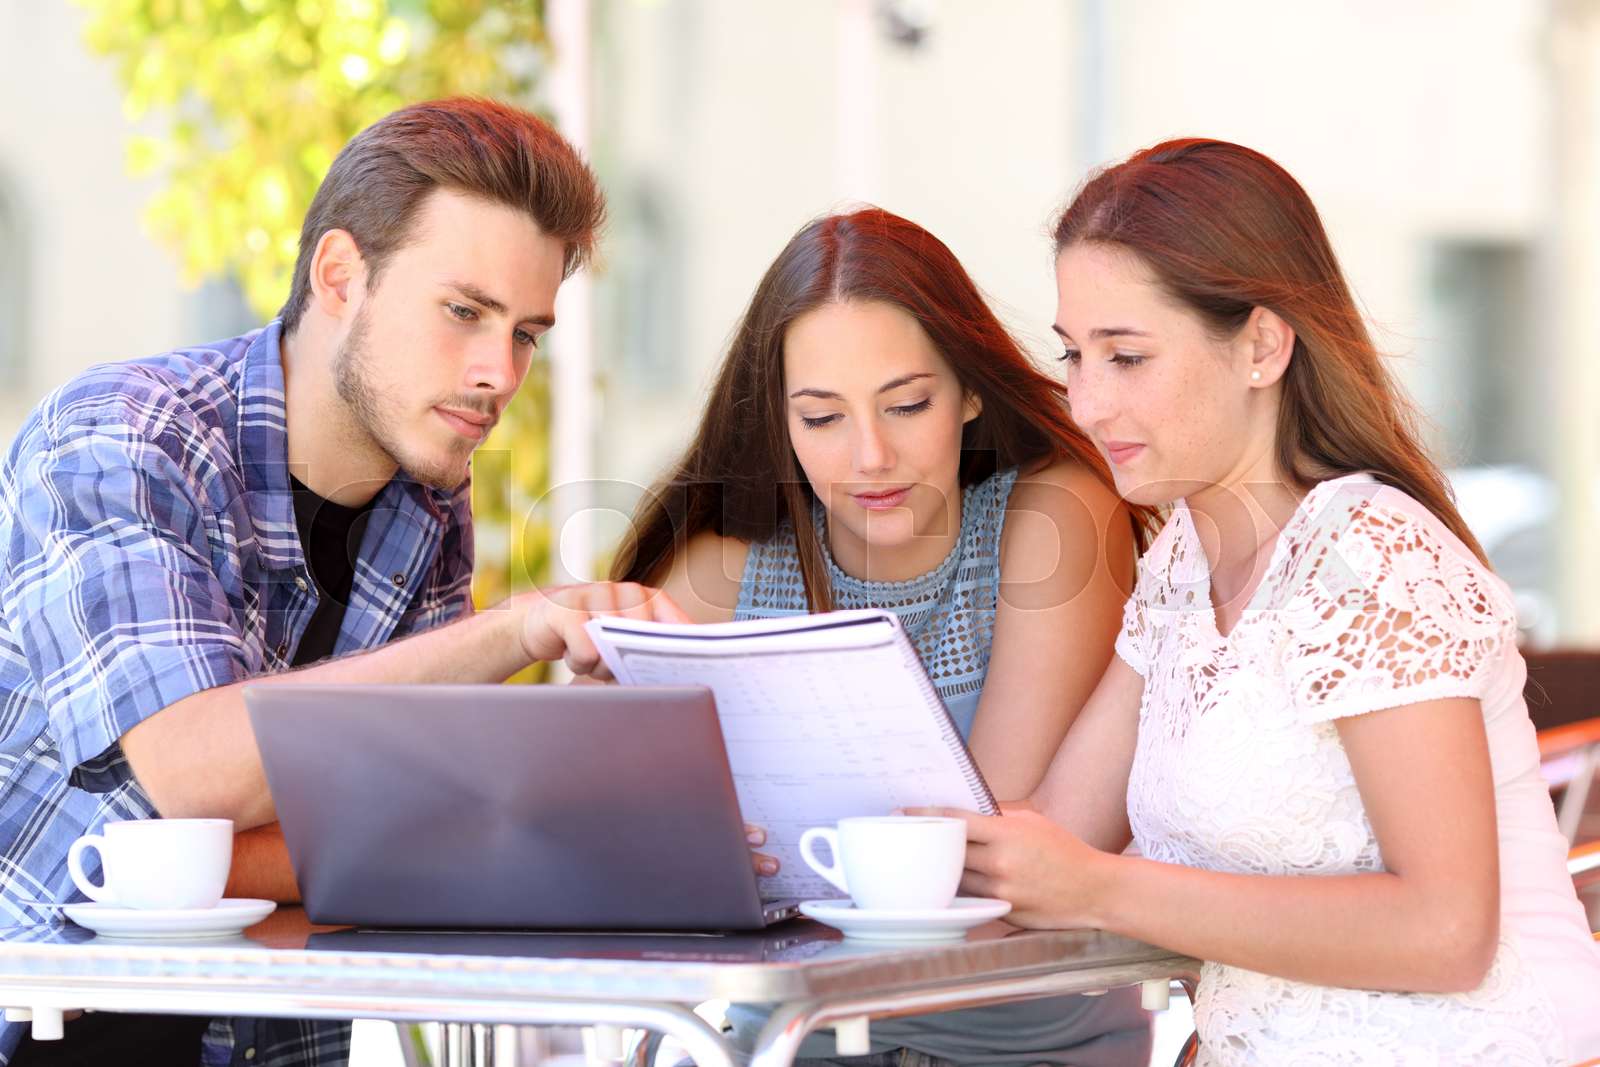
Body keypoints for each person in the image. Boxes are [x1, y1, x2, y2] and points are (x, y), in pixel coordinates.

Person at [0, 98, 690, 1067]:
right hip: (53, 1030)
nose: (499, 373)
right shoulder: (121, 437)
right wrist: (510, 633)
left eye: (526, 332)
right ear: (338, 276)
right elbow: (193, 772)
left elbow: (414, 826)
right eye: (463, 312)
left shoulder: (426, 493)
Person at [927, 139, 1600, 1066]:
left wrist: (1100, 889)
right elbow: (1056, 830)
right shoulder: (1181, 566)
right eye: (1076, 355)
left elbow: (1446, 930)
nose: (1085, 402)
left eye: (1126, 357)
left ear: (1262, 345)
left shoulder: (1371, 553)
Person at [612, 207, 1156, 1066]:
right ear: (780, 422)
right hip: (789, 1047)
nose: (869, 456)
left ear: (971, 389)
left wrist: (747, 875)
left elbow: (984, 870)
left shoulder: (1056, 513)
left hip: (1023, 1049)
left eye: (906, 404)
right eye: (821, 417)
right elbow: (582, 835)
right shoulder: (722, 568)